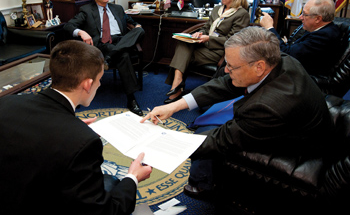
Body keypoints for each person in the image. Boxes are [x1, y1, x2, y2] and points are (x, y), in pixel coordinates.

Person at [142, 26, 333, 199]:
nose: (225, 69)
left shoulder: (267, 108)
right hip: (302, 121)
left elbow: (219, 140)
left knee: (205, 133)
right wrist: (174, 106)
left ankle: (204, 184)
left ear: (259, 66)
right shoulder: (279, 58)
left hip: (298, 147)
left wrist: (161, 143)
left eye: (231, 66)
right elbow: (225, 83)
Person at [0, 40, 153, 215]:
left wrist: (70, 126)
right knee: (113, 182)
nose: (100, 85)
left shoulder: (5, 102)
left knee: (108, 181)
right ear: (87, 84)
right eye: (99, 80)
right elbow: (107, 212)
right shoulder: (83, 142)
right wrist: (133, 177)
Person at [64, 0, 145, 116]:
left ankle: (110, 57)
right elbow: (68, 26)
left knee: (140, 31)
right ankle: (131, 99)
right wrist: (81, 32)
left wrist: (137, 26)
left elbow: (132, 22)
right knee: (123, 55)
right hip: (102, 43)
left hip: (120, 40)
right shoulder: (87, 10)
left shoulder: (117, 8)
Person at [164, 0, 250, 104]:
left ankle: (177, 87)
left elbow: (234, 40)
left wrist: (209, 38)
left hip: (219, 51)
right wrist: (200, 33)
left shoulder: (241, 14)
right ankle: (177, 83)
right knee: (183, 42)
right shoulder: (217, 10)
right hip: (204, 46)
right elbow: (207, 27)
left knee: (183, 55)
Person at [260, 0, 342, 76]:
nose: (300, 17)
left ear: (318, 19)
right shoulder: (321, 29)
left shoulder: (324, 36)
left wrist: (269, 27)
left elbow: (287, 56)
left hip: (302, 79)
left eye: (304, 14)